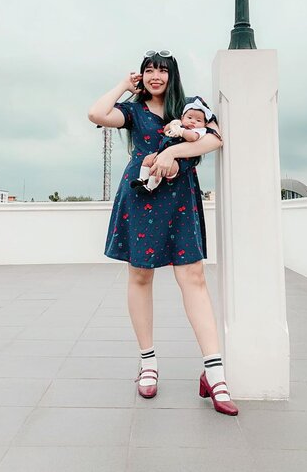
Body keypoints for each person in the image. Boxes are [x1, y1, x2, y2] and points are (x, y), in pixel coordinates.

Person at [88, 50, 238, 416]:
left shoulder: (186, 108)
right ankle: (148, 362)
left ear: (173, 75)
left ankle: (214, 373)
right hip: (141, 195)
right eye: (149, 70)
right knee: (140, 276)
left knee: (194, 277)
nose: (156, 76)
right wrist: (125, 86)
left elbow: (214, 138)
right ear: (142, 75)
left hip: (180, 196)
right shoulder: (134, 111)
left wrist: (175, 153)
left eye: (162, 70)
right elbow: (96, 113)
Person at [130, 97, 221, 193]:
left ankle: (150, 187)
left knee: (159, 169)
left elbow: (193, 137)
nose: (193, 121)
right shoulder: (179, 125)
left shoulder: (199, 131)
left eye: (198, 120)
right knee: (148, 159)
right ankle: (142, 179)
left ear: (205, 124)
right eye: (189, 118)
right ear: (182, 118)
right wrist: (172, 124)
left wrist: (181, 131)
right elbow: (165, 130)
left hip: (179, 159)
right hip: (162, 151)